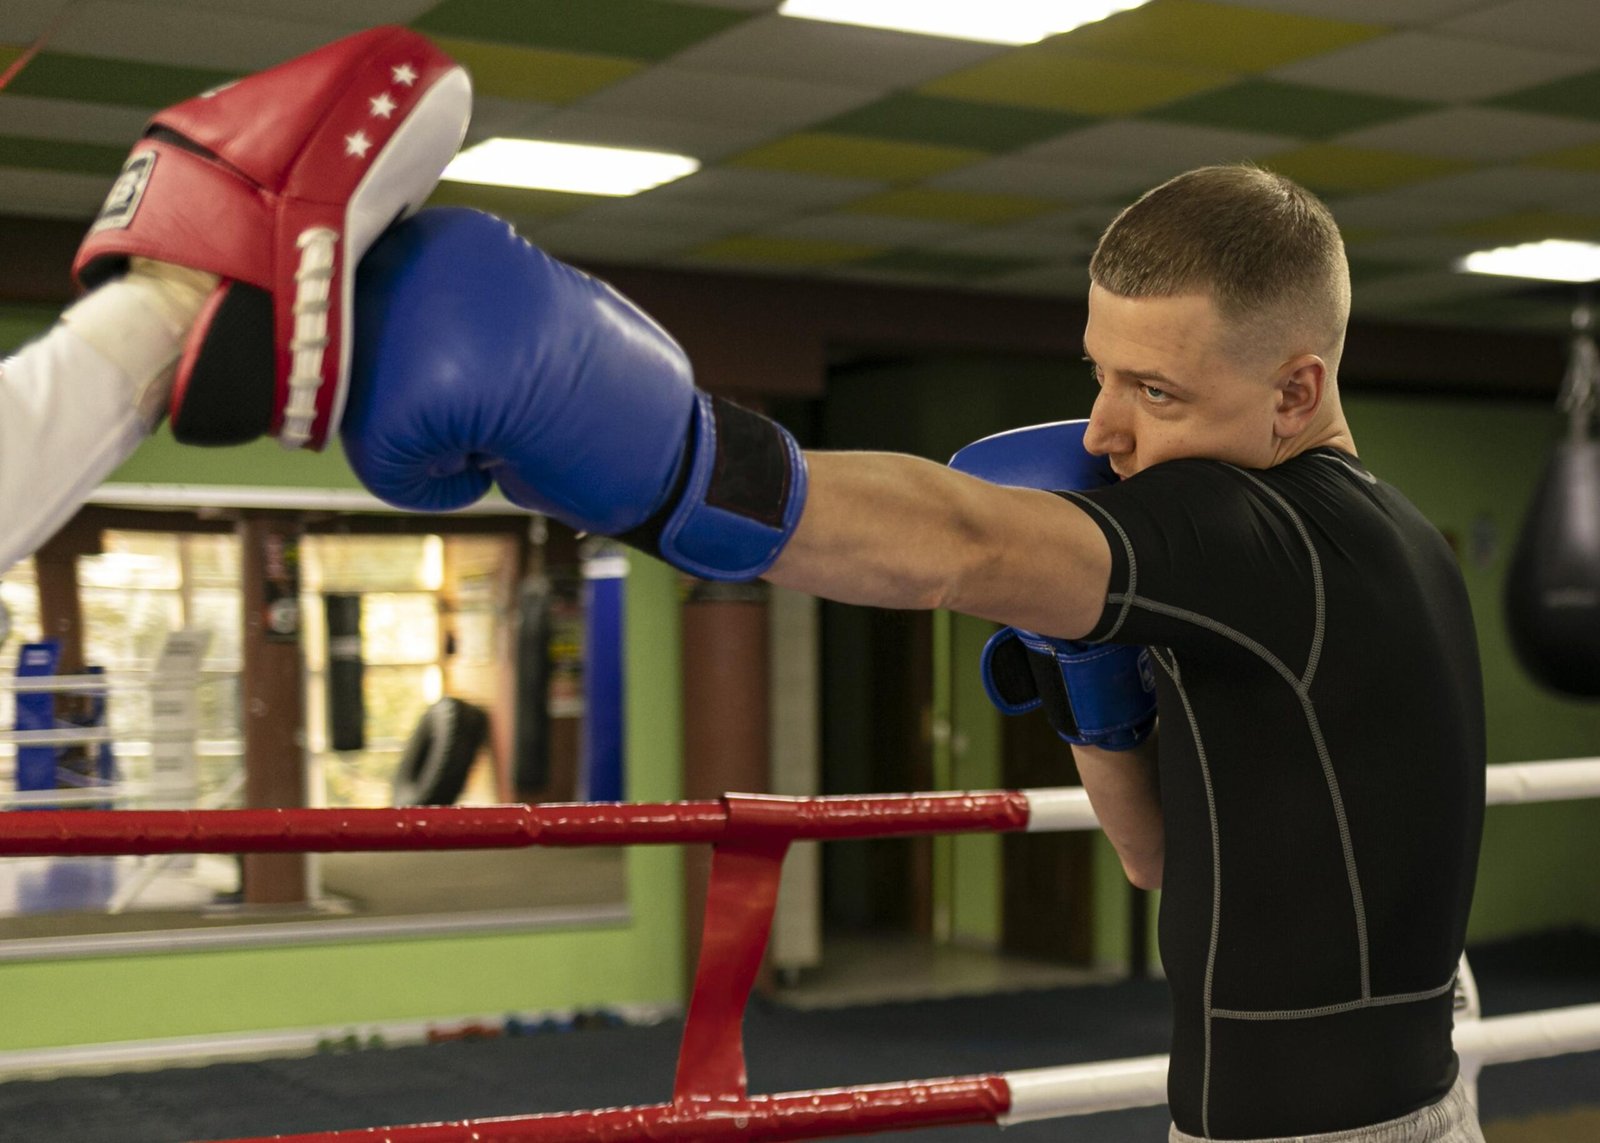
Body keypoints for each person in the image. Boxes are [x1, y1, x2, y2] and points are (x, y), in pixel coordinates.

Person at [341, 165, 1487, 1143]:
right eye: (1100, 371)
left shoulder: (1261, 542)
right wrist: (1091, 678)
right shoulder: (1383, 538)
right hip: (1379, 1091)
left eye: (1155, 391)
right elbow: (1156, 859)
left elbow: (955, 539)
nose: (1102, 430)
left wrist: (662, 461)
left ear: (1297, 390)